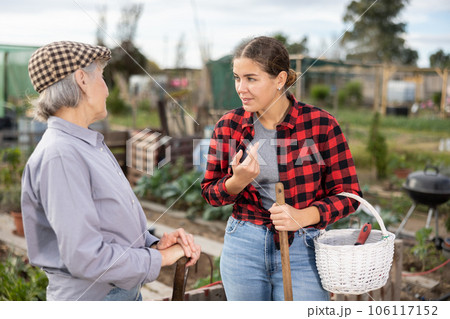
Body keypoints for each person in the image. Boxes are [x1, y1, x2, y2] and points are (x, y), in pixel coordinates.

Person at [22, 41, 201, 301]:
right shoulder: (62, 155)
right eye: (102, 78)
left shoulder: (84, 144)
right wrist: (160, 258)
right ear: (82, 80)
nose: (106, 90)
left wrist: (152, 243)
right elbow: (85, 256)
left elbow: (107, 222)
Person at [201, 36, 362, 301]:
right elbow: (210, 192)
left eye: (251, 78)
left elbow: (350, 195)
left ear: (279, 80)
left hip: (303, 248)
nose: (241, 88)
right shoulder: (228, 126)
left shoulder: (321, 124)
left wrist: (305, 215)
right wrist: (237, 181)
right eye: (237, 78)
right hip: (244, 245)